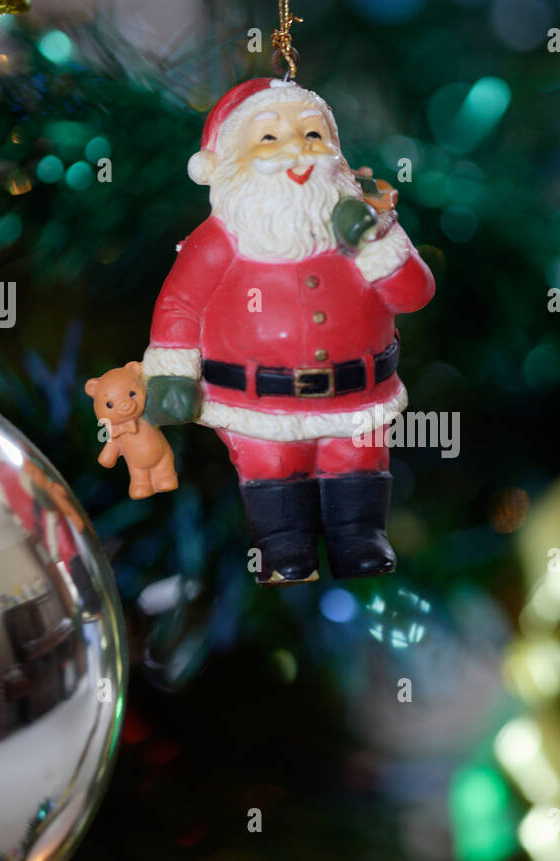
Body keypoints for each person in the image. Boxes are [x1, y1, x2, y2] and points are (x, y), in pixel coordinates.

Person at [135, 78, 435, 585]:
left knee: (358, 459)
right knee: (272, 467)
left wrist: (375, 242)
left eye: (313, 135)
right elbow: (181, 304)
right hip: (256, 402)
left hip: (358, 395)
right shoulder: (219, 241)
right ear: (228, 161)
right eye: (269, 138)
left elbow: (413, 295)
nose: (296, 148)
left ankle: (360, 536)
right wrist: (171, 374)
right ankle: (282, 547)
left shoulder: (364, 227)